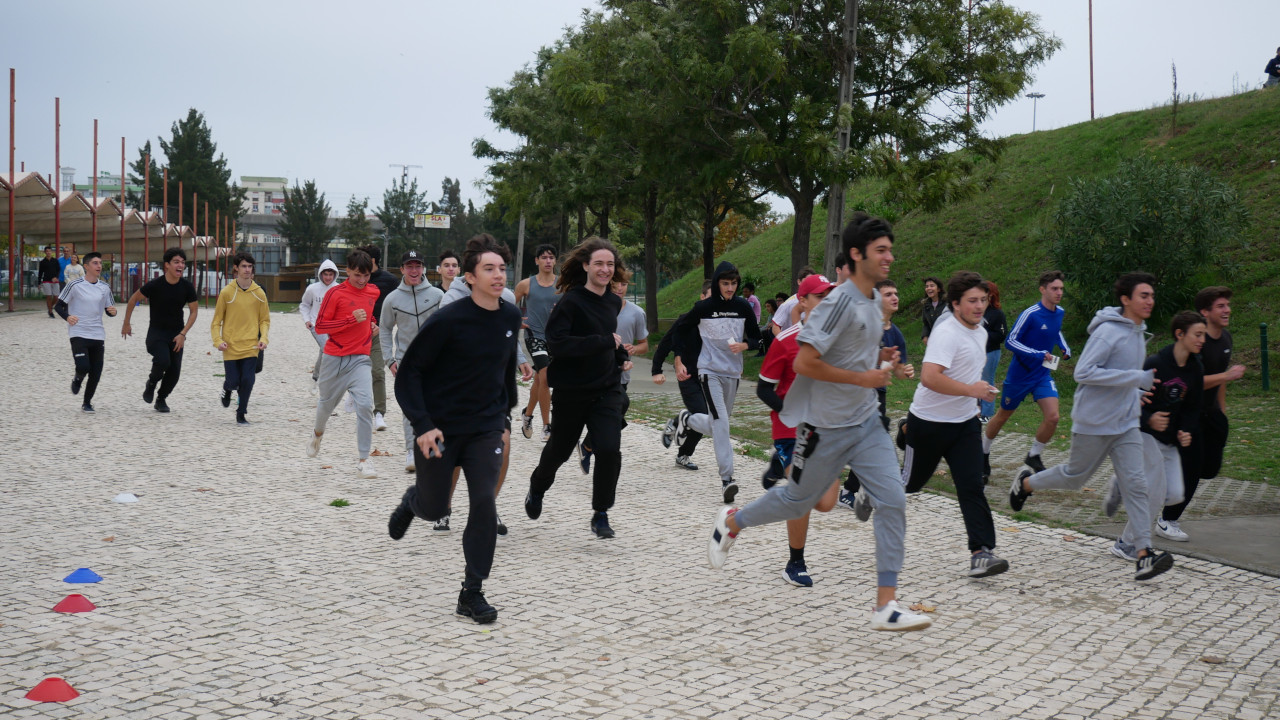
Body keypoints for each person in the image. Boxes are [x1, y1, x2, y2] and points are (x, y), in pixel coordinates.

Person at [706, 213, 932, 632]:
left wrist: (880, 362)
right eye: (881, 250)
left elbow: (847, 355)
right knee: (796, 500)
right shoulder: (838, 304)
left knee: (893, 501)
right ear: (856, 254)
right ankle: (732, 522)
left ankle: (886, 604)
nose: (889, 257)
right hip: (822, 429)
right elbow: (808, 362)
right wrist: (863, 376)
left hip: (865, 423)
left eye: (889, 249)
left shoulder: (870, 303)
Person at [387, 234, 522, 625]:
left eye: (502, 268)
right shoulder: (447, 320)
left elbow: (504, 372)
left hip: (485, 428)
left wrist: (504, 419)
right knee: (435, 508)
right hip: (441, 430)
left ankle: (472, 591)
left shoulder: (511, 317)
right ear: (469, 277)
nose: (499, 276)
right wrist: (423, 426)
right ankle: (414, 502)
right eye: (489, 269)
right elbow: (409, 375)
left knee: (484, 501)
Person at [1009, 271, 1174, 581]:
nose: (1150, 301)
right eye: (1144, 295)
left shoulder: (1139, 331)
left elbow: (1121, 375)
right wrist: (1134, 379)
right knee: (1074, 477)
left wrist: (1136, 391)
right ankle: (1026, 483)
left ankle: (1143, 554)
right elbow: (1083, 372)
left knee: (1137, 485)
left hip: (1125, 424)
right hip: (1094, 422)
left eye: (1152, 295)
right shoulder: (1108, 332)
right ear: (1126, 300)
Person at [901, 272, 1008, 578]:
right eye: (972, 301)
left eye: (983, 300)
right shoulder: (946, 332)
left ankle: (981, 553)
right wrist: (972, 391)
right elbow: (929, 377)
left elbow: (967, 374)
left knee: (972, 485)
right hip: (929, 422)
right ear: (956, 303)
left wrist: (977, 395)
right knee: (910, 484)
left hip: (964, 424)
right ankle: (873, 486)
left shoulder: (981, 329)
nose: (979, 306)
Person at [525, 237, 631, 539]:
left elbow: (607, 338)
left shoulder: (613, 301)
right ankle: (537, 486)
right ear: (586, 265)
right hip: (572, 391)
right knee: (559, 451)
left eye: (610, 264)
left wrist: (620, 355)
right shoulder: (571, 302)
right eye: (599, 263)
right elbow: (557, 343)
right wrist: (602, 343)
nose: (605, 269)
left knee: (609, 449)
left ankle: (601, 513)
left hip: (606, 388)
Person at [1104, 311, 1205, 560]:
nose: (1202, 339)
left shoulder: (1196, 369)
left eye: (1203, 335)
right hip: (1143, 434)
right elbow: (1128, 400)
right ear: (1180, 335)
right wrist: (1149, 417)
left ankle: (1123, 484)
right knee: (1154, 494)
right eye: (1198, 334)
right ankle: (1127, 544)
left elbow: (1193, 407)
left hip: (1169, 441)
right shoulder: (1154, 364)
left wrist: (1186, 430)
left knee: (1174, 495)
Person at [756, 273, 836, 587]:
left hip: (828, 432)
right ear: (803, 302)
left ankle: (783, 480)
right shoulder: (785, 341)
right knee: (803, 496)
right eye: (820, 297)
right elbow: (764, 389)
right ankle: (795, 563)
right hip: (792, 432)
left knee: (827, 502)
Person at [1158, 286, 1246, 540]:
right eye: (1220, 306)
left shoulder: (1226, 339)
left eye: (1227, 305)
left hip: (1212, 414)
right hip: (1189, 415)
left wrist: (1222, 410)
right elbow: (1192, 380)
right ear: (1205, 312)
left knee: (1210, 469)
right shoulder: (1197, 342)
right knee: (1193, 469)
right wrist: (1226, 376)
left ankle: (1166, 474)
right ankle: (1167, 520)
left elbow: (1219, 381)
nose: (1227, 310)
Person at [670, 260, 762, 502]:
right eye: (725, 283)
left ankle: (687, 419)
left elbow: (756, 338)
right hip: (709, 371)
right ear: (717, 283)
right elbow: (679, 329)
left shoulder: (743, 307)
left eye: (733, 284)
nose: (730, 288)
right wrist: (678, 358)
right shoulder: (703, 308)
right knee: (722, 424)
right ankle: (727, 480)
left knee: (718, 425)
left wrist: (745, 345)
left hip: (733, 373)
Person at [837, 277, 915, 518]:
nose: (895, 297)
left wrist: (905, 371)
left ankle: (853, 491)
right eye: (888, 293)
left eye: (896, 293)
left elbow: (898, 368)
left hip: (876, 396)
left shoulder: (896, 334)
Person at [982, 270, 1071, 481]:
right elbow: (1011, 340)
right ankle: (983, 453)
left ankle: (1034, 455)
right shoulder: (1030, 313)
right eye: (1054, 289)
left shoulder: (1059, 312)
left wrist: (1064, 346)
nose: (1059, 293)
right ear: (1043, 290)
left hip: (1042, 375)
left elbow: (1055, 330)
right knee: (1003, 415)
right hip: (1020, 375)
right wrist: (1037, 353)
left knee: (1053, 417)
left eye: (1061, 289)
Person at [307, 250, 381, 478]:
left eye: (366, 275)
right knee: (326, 405)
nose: (362, 280)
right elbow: (320, 327)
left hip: (360, 359)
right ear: (347, 271)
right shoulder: (335, 294)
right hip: (334, 359)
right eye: (357, 274)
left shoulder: (374, 291)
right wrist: (350, 320)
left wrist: (373, 325)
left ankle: (364, 460)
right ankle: (317, 434)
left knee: (366, 406)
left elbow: (369, 316)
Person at [380, 249, 445, 473]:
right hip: (406, 362)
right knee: (410, 408)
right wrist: (389, 359)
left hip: (436, 362)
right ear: (402, 269)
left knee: (436, 405)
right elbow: (385, 330)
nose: (414, 270)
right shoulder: (392, 299)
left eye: (417, 266)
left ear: (423, 268)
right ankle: (411, 450)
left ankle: (436, 446)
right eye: (409, 266)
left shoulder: (438, 296)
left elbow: (448, 328)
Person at [578, 268, 648, 474]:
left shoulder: (636, 313)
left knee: (616, 412)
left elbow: (644, 344)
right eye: (615, 284)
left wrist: (634, 349)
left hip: (621, 373)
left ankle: (589, 446)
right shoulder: (595, 307)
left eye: (624, 284)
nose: (619, 288)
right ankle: (596, 451)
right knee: (615, 411)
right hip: (596, 373)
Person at [121, 247, 198, 413]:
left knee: (174, 372)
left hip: (177, 334)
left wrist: (183, 334)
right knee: (163, 360)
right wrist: (126, 323)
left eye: (183, 263)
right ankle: (151, 383)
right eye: (176, 262)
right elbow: (133, 299)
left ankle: (161, 398)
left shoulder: (187, 287)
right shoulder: (155, 285)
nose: (180, 265)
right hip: (156, 334)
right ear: (167, 265)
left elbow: (194, 312)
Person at [655, 280, 713, 471]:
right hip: (688, 376)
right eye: (709, 298)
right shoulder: (686, 320)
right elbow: (665, 344)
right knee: (702, 415)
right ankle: (681, 420)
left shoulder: (718, 323)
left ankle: (683, 453)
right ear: (702, 297)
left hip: (711, 378)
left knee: (709, 421)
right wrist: (657, 370)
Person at [211, 252, 270, 426]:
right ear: (236, 268)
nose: (247, 270)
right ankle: (227, 388)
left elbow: (264, 320)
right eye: (243, 266)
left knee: (248, 380)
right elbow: (216, 321)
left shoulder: (259, 293)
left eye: (250, 267)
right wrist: (217, 341)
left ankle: (241, 414)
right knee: (233, 380)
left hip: (251, 346)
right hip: (230, 346)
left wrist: (264, 338)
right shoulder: (227, 292)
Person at [54, 251, 116, 412]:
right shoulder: (74, 285)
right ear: (86, 266)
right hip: (78, 332)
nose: (99, 266)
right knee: (83, 366)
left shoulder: (105, 287)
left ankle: (87, 402)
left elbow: (109, 309)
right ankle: (78, 378)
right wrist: (68, 317)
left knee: (96, 372)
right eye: (95, 263)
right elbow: (58, 306)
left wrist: (112, 312)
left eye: (100, 263)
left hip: (98, 334)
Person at [515, 244, 559, 443]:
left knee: (540, 380)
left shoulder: (562, 284)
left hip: (556, 338)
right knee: (546, 377)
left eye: (551, 257)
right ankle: (547, 426)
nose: (548, 261)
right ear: (537, 261)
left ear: (555, 261)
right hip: (534, 336)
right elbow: (508, 306)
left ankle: (527, 414)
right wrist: (516, 321)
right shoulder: (526, 284)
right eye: (544, 257)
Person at [359, 244, 399, 433]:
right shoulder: (357, 280)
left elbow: (397, 303)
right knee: (353, 371)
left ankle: (379, 413)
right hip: (356, 331)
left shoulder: (390, 281)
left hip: (378, 332)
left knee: (377, 371)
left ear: (373, 260)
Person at [299, 259, 340, 384]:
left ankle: (318, 374)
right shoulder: (312, 288)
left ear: (334, 275)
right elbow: (304, 305)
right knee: (326, 347)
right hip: (316, 324)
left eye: (330, 274)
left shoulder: (339, 289)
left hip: (333, 326)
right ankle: (322, 376)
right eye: (325, 274)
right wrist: (307, 320)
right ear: (321, 274)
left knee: (326, 349)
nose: (328, 277)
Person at [980, 281, 1007, 421]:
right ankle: (978, 409)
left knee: (987, 381)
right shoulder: (978, 310)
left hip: (991, 352)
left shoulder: (997, 314)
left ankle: (987, 413)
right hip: (978, 352)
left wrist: (982, 335)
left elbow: (1001, 335)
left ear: (991, 295)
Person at [771, 267, 815, 334]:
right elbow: (775, 327)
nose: (809, 284)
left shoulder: (817, 301)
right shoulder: (788, 304)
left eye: (812, 281)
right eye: (806, 281)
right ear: (799, 282)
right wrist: (784, 343)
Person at [920, 276, 946, 345]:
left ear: (939, 289)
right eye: (927, 286)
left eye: (932, 286)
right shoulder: (926, 306)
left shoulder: (947, 303)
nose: (929, 288)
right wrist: (925, 335)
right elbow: (926, 324)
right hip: (935, 341)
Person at [39, 246, 61, 317]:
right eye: (47, 251)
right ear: (45, 252)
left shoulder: (55, 261)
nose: (48, 252)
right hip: (46, 281)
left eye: (49, 251)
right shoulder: (42, 262)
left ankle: (50, 307)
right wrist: (39, 283)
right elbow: (40, 272)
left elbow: (58, 270)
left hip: (55, 281)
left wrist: (56, 277)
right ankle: (51, 312)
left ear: (51, 252)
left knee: (56, 297)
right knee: (48, 296)